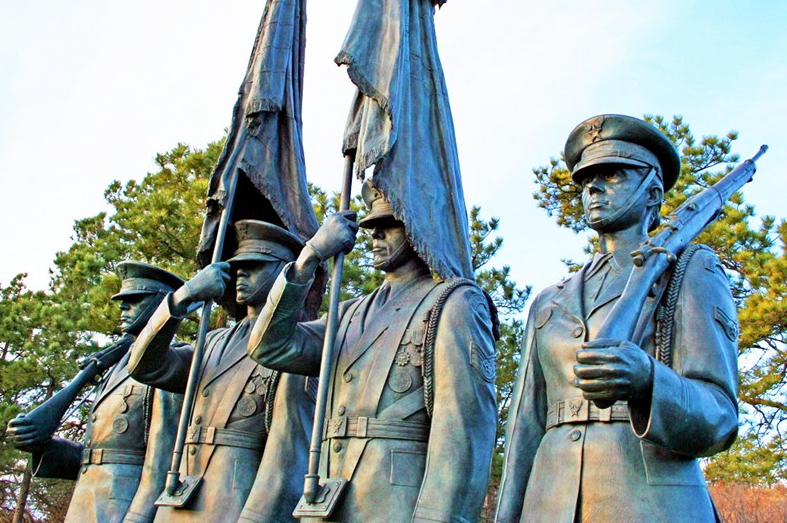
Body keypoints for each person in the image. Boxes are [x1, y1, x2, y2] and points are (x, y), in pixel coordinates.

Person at [495, 115, 739, 523]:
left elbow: (719, 416)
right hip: (547, 503)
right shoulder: (548, 301)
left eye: (612, 174)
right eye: (587, 178)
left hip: (651, 504)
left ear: (653, 191)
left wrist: (648, 380)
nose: (592, 186)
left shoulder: (690, 270)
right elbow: (524, 431)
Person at [249, 182, 497, 523]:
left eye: (389, 223)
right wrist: (308, 259)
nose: (376, 234)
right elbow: (269, 347)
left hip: (395, 505)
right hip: (326, 500)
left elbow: (463, 431)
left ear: (420, 222)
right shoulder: (346, 314)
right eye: (370, 226)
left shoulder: (452, 303)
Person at [127, 220, 315, 522]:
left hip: (234, 504)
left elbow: (286, 457)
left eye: (254, 266)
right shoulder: (210, 343)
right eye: (238, 266)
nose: (240, 273)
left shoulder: (296, 347)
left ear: (284, 270)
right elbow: (144, 367)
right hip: (179, 500)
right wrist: (182, 298)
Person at [7, 262, 185, 523]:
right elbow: (102, 449)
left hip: (123, 504)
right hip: (88, 498)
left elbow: (161, 461)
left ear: (161, 304)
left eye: (134, 300)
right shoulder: (115, 365)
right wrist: (45, 446)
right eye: (123, 301)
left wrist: (140, 517)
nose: (123, 307)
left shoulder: (171, 365)